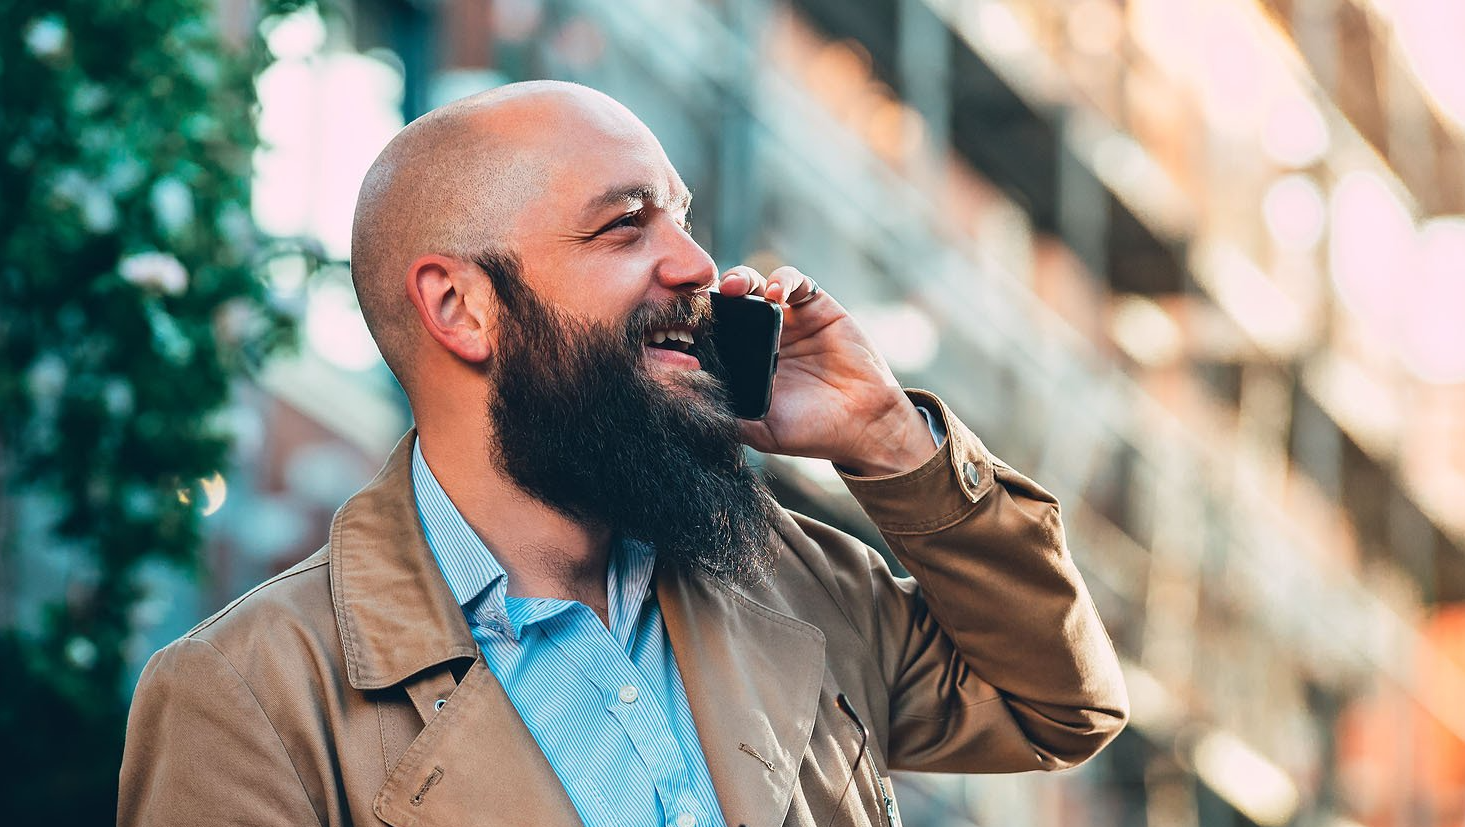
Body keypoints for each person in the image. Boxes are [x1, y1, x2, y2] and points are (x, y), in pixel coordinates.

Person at [118, 80, 1127, 827]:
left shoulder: (778, 574)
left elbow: (1059, 707)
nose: (694, 264)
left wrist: (892, 445)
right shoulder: (248, 691)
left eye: (681, 216)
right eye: (624, 225)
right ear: (460, 306)